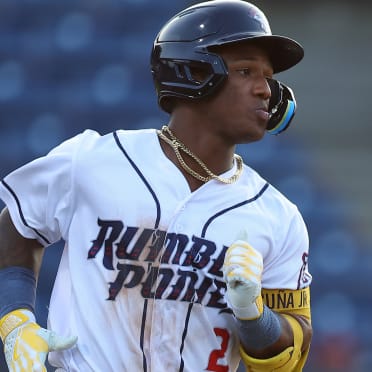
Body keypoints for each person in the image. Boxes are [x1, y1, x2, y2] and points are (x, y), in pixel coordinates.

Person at [0, 0, 312, 371]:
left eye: (269, 77)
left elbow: (288, 356)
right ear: (194, 72)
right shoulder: (93, 161)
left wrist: (253, 314)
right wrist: (15, 319)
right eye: (247, 71)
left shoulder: (278, 217)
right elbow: (17, 227)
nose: (266, 90)